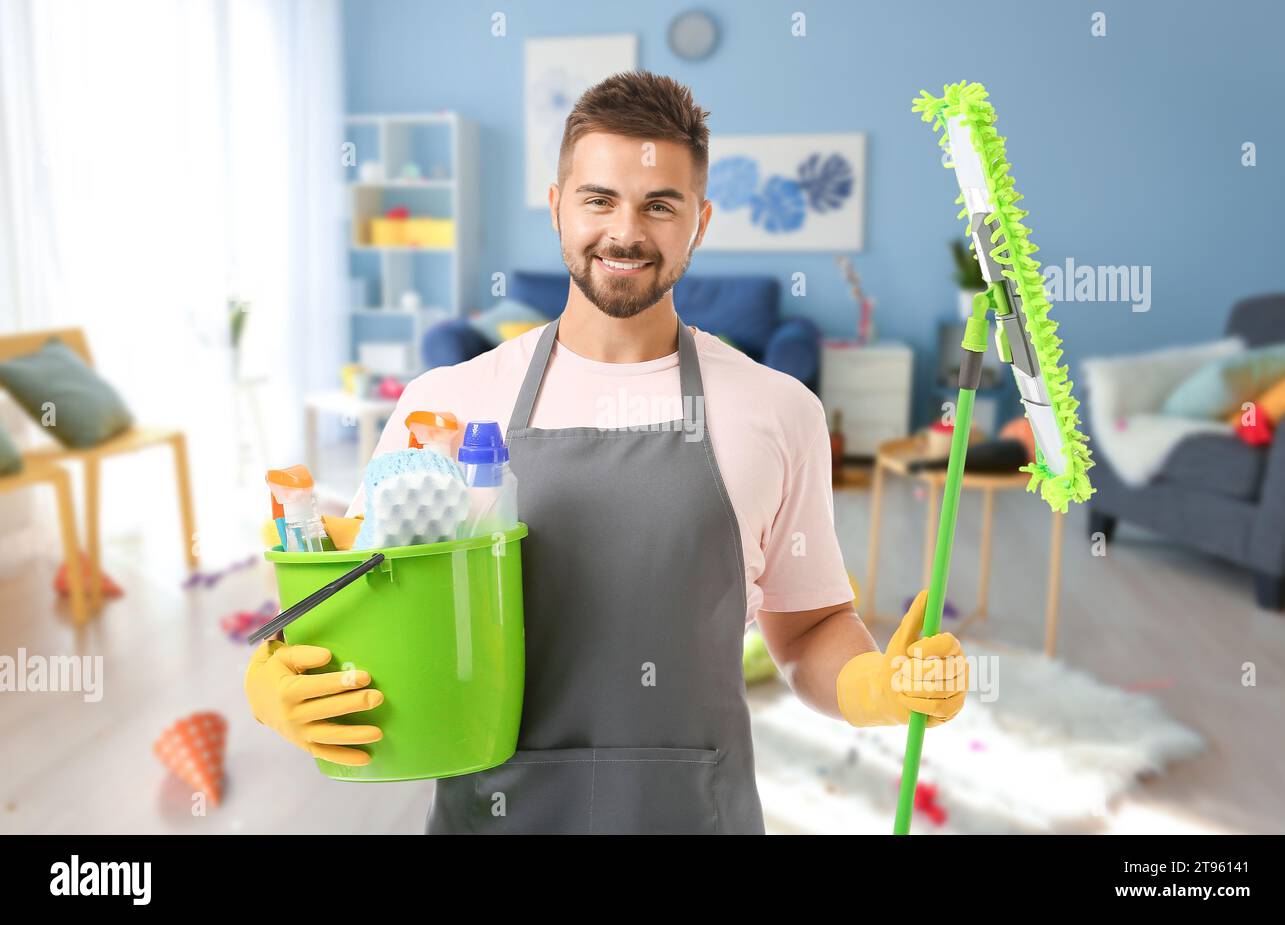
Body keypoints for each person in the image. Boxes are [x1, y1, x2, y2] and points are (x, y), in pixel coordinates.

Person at [245, 70, 967, 834]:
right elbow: (352, 596)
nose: (625, 232)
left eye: (660, 205)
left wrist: (876, 688)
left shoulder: (779, 410)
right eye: (599, 199)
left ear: (701, 221)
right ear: (557, 207)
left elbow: (813, 624)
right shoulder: (445, 407)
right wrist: (270, 681)